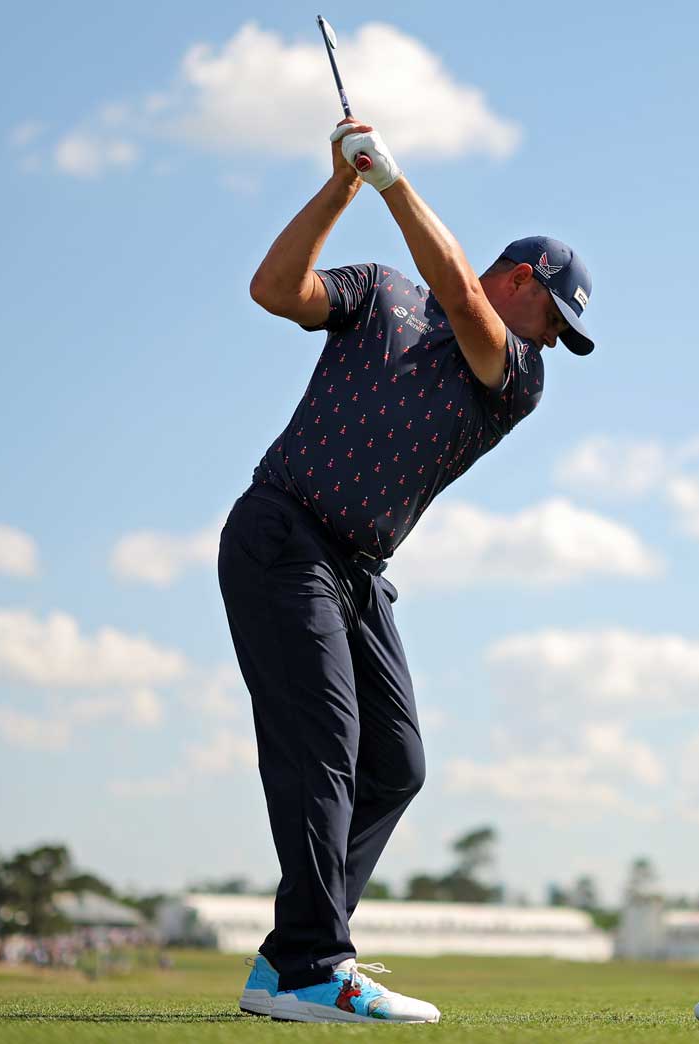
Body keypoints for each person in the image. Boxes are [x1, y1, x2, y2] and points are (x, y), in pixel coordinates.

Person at [219, 116, 596, 1024]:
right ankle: (315, 961)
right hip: (282, 535)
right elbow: (276, 290)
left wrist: (393, 182)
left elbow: (462, 298)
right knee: (327, 746)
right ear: (524, 280)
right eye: (554, 318)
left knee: (396, 762)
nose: (551, 342)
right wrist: (344, 186)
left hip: (354, 569)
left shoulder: (513, 378)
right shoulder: (380, 291)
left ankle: (287, 958)